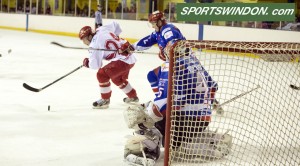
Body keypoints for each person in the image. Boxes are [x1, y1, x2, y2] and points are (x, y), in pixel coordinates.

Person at [123, 39, 232, 165]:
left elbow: (171, 100)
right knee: (173, 137)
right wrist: (202, 104)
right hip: (202, 120)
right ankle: (212, 142)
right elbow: (213, 86)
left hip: (183, 120)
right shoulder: (195, 63)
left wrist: (149, 115)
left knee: (140, 117)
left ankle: (147, 152)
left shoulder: (170, 65)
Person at [79, 21, 139, 109]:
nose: (84, 42)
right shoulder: (101, 29)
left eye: (84, 39)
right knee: (117, 78)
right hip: (130, 57)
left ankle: (105, 100)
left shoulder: (94, 45)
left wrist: (88, 63)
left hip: (123, 61)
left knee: (102, 74)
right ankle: (133, 96)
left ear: (90, 36)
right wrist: (116, 39)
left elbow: (96, 65)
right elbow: (115, 24)